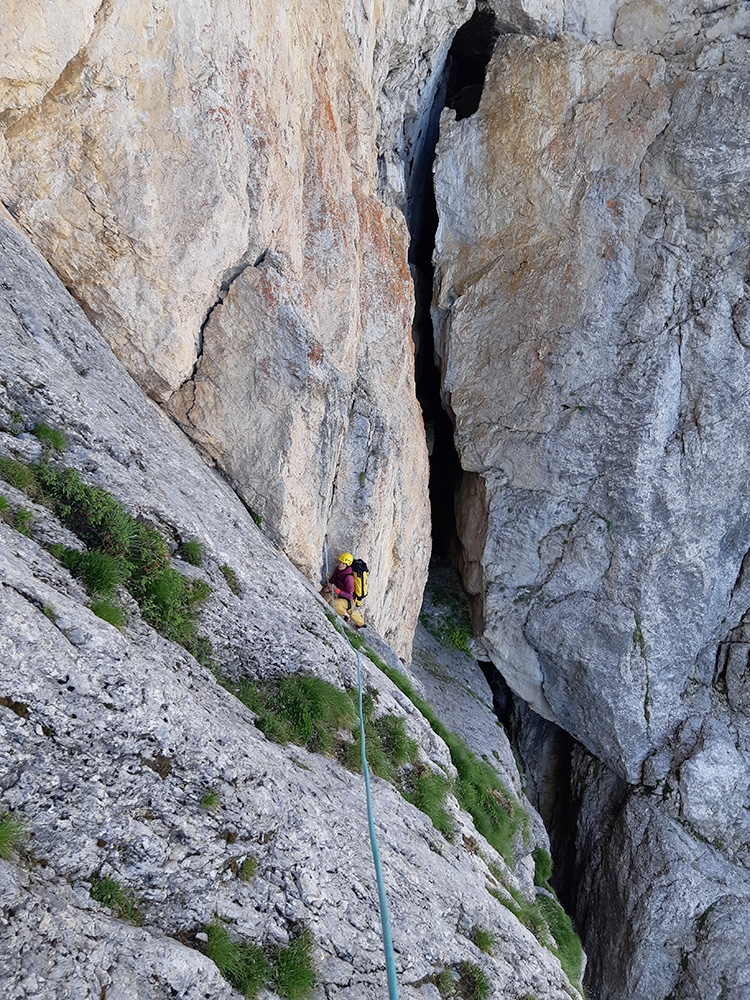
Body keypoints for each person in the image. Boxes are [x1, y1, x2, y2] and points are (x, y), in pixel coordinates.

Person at [322, 552, 365, 628]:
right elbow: (332, 580)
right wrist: (328, 587)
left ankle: (347, 615)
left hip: (348, 600)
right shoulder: (338, 570)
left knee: (333, 604)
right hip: (339, 594)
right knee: (324, 596)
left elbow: (349, 595)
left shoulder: (349, 578)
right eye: (340, 562)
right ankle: (349, 614)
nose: (340, 564)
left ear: (347, 565)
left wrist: (336, 590)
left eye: (343, 563)